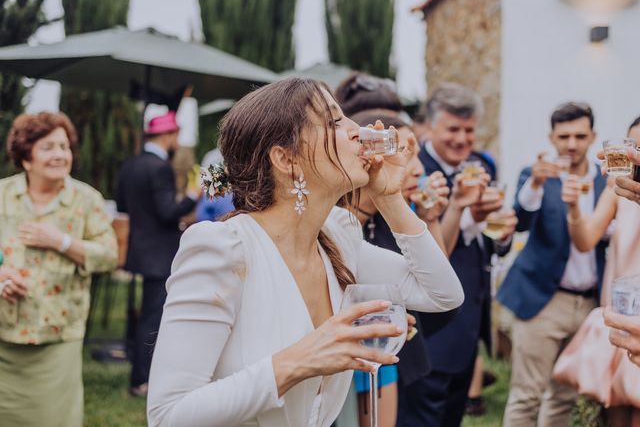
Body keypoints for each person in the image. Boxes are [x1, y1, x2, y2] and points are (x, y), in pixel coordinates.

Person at [146, 78, 464, 427]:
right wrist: (300, 360)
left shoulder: (339, 237)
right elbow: (168, 416)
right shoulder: (222, 248)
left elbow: (443, 294)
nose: (358, 131)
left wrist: (389, 197)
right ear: (286, 159)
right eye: (335, 122)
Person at [0, 112, 118, 427]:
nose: (60, 155)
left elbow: (109, 256)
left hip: (58, 331)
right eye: (48, 147)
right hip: (3, 331)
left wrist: (62, 242)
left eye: (64, 147)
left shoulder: (86, 200)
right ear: (26, 158)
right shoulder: (2, 195)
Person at [498, 102, 608, 426]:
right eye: (564, 137)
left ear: (593, 136)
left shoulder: (606, 181)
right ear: (551, 137)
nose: (571, 144)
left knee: (565, 395)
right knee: (526, 394)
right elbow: (520, 220)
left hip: (590, 302)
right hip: (543, 298)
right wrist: (534, 182)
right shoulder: (536, 176)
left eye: (579, 135)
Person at [414, 82, 516, 427]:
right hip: (430, 330)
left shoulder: (481, 167)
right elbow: (428, 255)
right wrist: (467, 215)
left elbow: (485, 241)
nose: (462, 139)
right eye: (453, 130)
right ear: (431, 127)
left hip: (469, 321)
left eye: (469, 130)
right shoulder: (416, 173)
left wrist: (502, 234)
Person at [348, 109, 450, 427]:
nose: (417, 169)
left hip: (395, 361)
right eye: (404, 152)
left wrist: (430, 219)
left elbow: (442, 295)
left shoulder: (394, 219)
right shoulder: (340, 223)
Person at [552, 116, 640, 425]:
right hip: (619, 314)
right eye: (634, 147)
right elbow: (586, 240)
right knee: (613, 411)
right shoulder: (617, 187)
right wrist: (574, 207)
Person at [116, 110, 200, 397]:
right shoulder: (160, 167)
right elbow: (166, 212)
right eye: (176, 135)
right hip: (160, 254)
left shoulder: (130, 165)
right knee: (153, 320)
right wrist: (192, 194)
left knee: (147, 317)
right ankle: (142, 381)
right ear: (167, 135)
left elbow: (124, 207)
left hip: (140, 250)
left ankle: (140, 375)